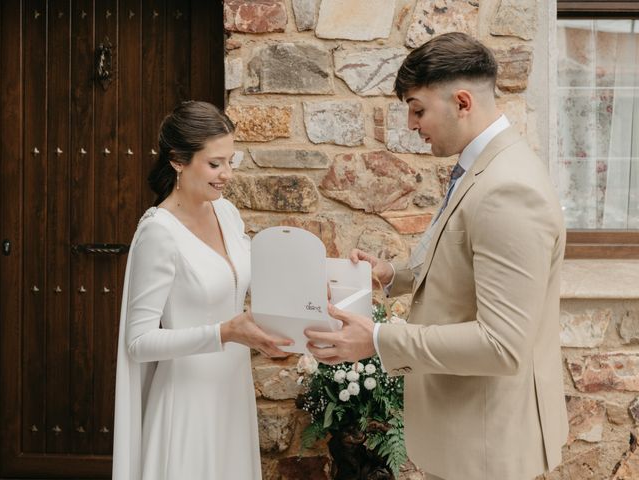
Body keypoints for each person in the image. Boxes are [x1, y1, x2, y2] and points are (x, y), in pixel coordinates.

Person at [305, 32, 568, 480]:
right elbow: (464, 264)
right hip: (468, 431)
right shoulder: (483, 167)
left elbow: (502, 345)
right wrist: (393, 275)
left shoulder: (508, 188)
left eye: (418, 108)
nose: (411, 124)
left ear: (462, 102)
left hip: (486, 444)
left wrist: (378, 340)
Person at [112, 101, 292, 480]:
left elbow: (249, 278)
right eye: (215, 164)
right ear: (178, 160)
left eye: (232, 160)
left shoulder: (225, 212)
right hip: (186, 404)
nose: (227, 174)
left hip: (231, 393)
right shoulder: (158, 233)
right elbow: (138, 341)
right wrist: (224, 332)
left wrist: (309, 292)